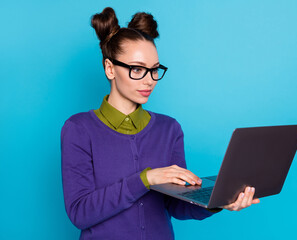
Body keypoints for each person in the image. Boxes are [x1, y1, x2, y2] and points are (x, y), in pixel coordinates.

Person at [61, 7, 260, 240]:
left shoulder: (169, 129)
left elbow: (175, 205)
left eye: (154, 70)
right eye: (137, 69)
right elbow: (80, 213)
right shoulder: (79, 129)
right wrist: (146, 179)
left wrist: (219, 202)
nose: (149, 80)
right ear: (110, 68)